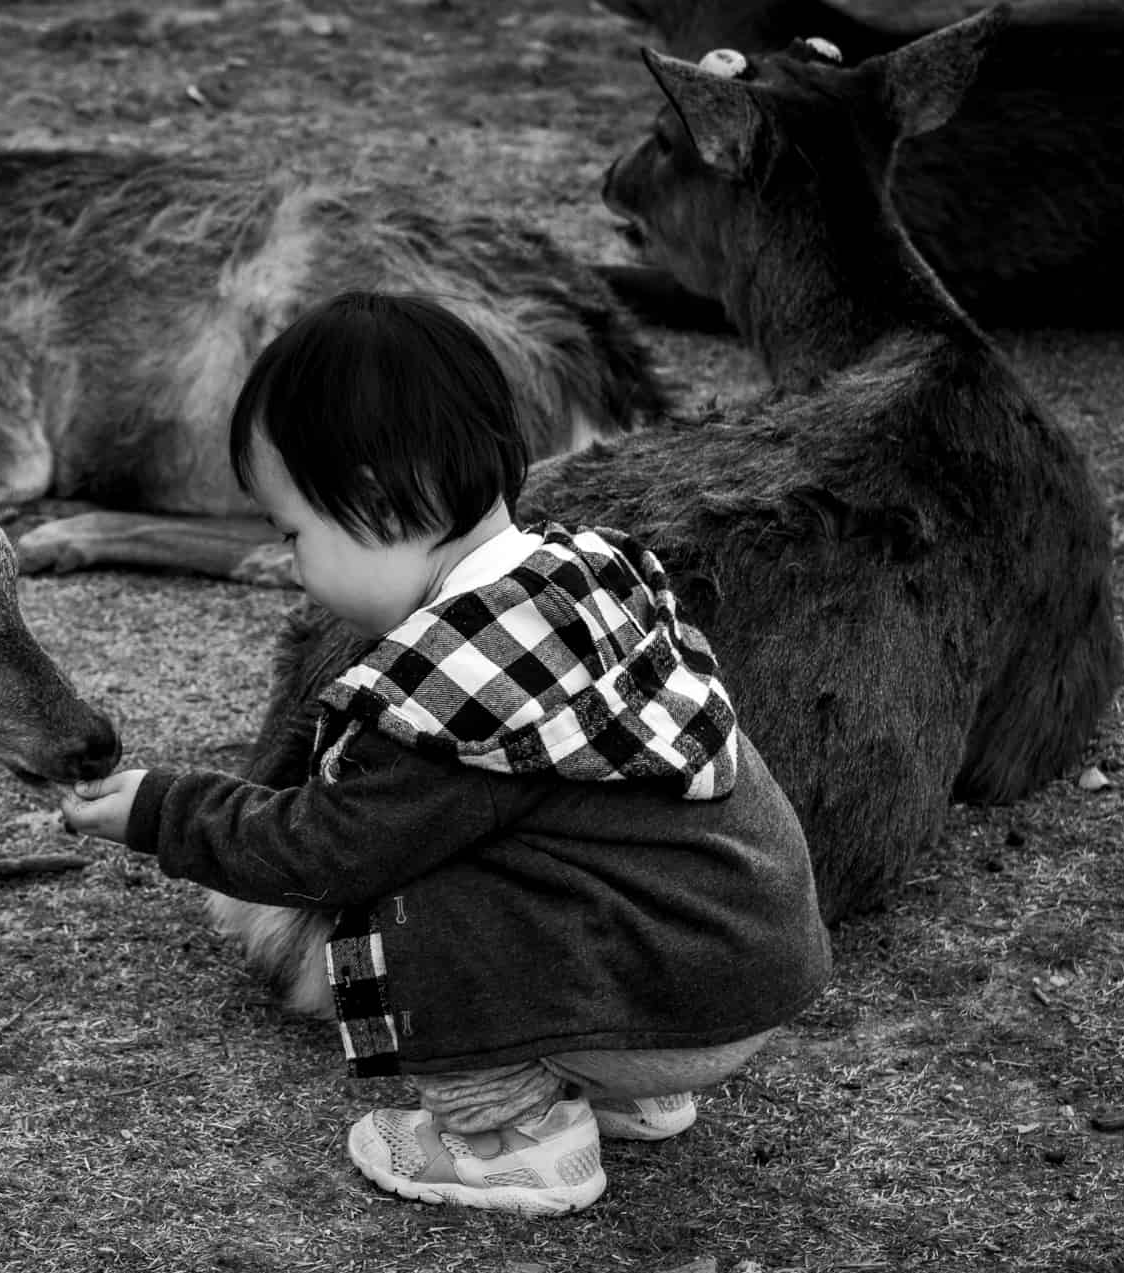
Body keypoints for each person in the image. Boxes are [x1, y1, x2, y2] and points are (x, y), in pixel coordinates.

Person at [60, 291, 831, 1217]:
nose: (294, 567)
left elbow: (321, 847)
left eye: (293, 533)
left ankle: (512, 1139)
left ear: (379, 502)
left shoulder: (458, 690)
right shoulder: (577, 577)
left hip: (677, 993)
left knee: (406, 888)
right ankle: (628, 1086)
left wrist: (162, 810)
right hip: (754, 961)